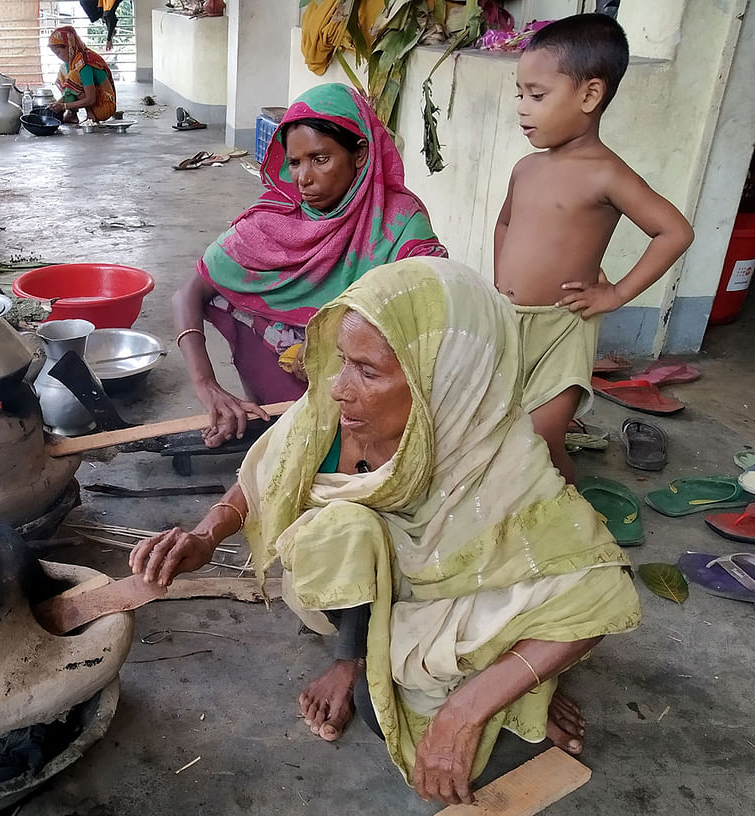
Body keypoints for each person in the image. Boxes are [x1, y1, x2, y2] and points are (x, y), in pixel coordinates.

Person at [133, 258, 642, 806]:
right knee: (343, 533)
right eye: (341, 363)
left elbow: (600, 591)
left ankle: (509, 681)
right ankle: (357, 656)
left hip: (448, 590)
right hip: (364, 588)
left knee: (537, 614)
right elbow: (267, 475)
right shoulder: (333, 416)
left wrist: (463, 714)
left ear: (441, 380)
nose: (336, 389)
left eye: (367, 372)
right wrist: (206, 536)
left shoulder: (498, 458)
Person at [172, 84, 446, 449]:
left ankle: (349, 436)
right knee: (223, 297)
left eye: (320, 159)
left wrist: (327, 347)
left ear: (360, 153)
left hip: (363, 374)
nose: (303, 179)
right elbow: (188, 293)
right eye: (295, 162)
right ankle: (277, 418)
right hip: (289, 369)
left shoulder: (399, 223)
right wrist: (206, 384)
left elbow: (429, 310)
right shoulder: (275, 218)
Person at [495, 13, 693, 484]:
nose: (523, 108)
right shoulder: (526, 168)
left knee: (543, 439)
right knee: (499, 427)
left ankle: (570, 511)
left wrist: (616, 294)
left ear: (589, 95)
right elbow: (505, 222)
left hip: (564, 326)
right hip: (507, 321)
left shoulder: (606, 173)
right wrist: (500, 282)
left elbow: (674, 232)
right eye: (520, 94)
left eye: (537, 96)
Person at [46, 26, 117, 124]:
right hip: (92, 99)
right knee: (63, 73)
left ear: (69, 46)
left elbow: (91, 99)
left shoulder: (84, 62)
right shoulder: (71, 61)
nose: (58, 57)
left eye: (58, 52)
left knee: (73, 77)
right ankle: (72, 114)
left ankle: (88, 114)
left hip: (104, 105)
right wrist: (58, 104)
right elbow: (70, 91)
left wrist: (63, 106)